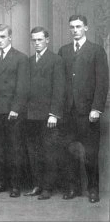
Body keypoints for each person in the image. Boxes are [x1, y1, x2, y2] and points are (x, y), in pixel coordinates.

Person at [58, 14, 108, 203]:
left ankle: (93, 190)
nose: (75, 30)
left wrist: (96, 108)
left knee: (90, 154)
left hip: (88, 113)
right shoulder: (63, 51)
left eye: (78, 26)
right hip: (68, 113)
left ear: (86, 28)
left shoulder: (96, 50)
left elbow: (102, 83)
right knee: (69, 153)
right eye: (72, 27)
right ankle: (73, 188)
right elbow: (61, 82)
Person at [0, 24, 29, 198]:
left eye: (3, 37)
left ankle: (15, 185)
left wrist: (15, 109)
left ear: (10, 37)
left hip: (12, 111)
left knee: (14, 149)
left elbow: (22, 86)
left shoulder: (20, 58)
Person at [25, 26, 65, 200]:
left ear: (47, 40)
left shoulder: (56, 60)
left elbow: (59, 89)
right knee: (34, 152)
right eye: (34, 40)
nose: (37, 43)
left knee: (48, 152)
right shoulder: (29, 61)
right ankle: (37, 185)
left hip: (48, 116)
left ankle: (48, 187)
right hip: (31, 115)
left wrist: (54, 113)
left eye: (40, 39)